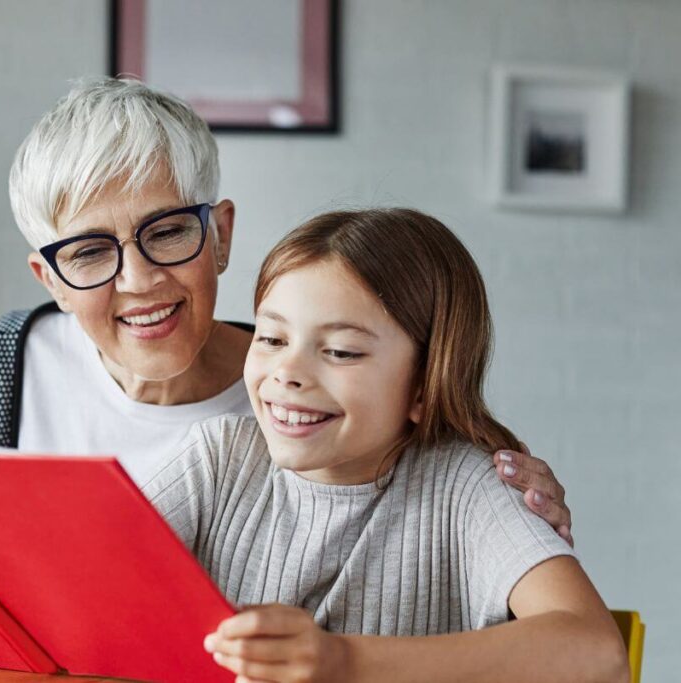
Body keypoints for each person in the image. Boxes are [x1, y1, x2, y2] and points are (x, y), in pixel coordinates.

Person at [0, 79, 574, 656]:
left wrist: (512, 494)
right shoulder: (10, 367)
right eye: (88, 252)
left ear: (219, 232)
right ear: (47, 276)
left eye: (168, 232)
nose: (139, 279)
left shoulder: (301, 392)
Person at [142, 209, 628, 682]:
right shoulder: (217, 459)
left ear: (423, 384)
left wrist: (343, 663)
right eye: (271, 338)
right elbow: (72, 586)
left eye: (340, 351)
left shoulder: (468, 487)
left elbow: (599, 655)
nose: (288, 372)